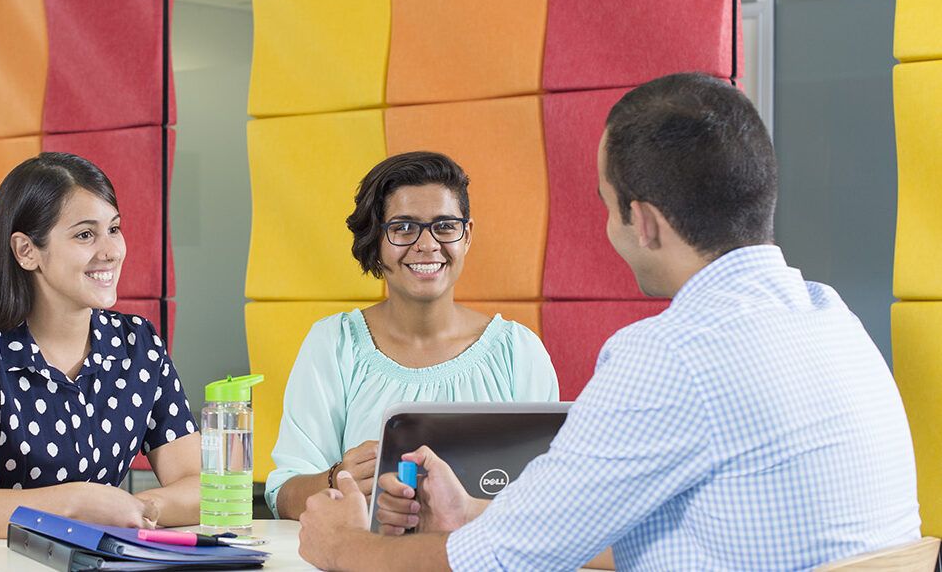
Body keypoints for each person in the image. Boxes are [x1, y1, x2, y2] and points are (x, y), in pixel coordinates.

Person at [295, 73, 920, 570]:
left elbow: (499, 563)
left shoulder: (670, 356)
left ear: (643, 222)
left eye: (606, 206)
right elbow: (592, 530)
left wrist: (341, 547)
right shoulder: (834, 320)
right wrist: (476, 512)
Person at [0, 152, 200, 572]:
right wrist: (80, 503)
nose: (110, 251)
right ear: (27, 251)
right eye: (85, 235)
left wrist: (135, 507)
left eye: (114, 229)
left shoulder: (139, 346)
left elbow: (199, 486)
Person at [266, 151, 558, 520]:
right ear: (376, 240)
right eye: (403, 227)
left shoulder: (519, 352)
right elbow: (282, 495)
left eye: (445, 226)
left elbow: (550, 497)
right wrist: (334, 479)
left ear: (466, 236)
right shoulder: (333, 344)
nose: (427, 244)